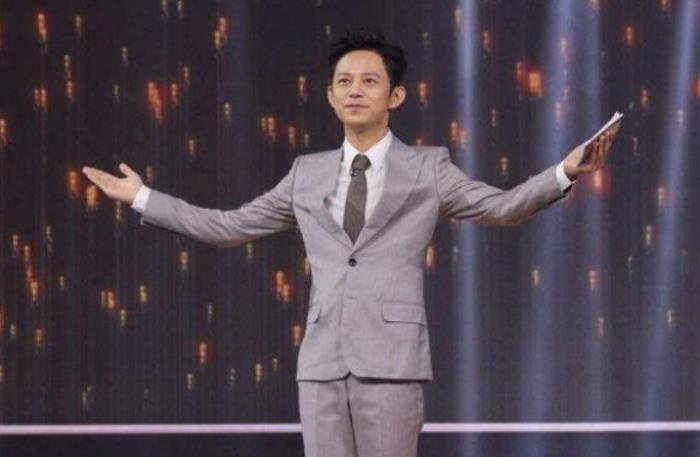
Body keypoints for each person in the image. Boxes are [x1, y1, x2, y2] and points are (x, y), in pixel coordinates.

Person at [83, 28, 619, 457]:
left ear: (395, 95)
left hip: (392, 362)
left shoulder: (428, 167)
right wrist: (142, 197)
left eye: (368, 81)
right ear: (330, 95)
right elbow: (230, 226)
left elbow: (502, 207)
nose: (355, 90)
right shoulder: (306, 173)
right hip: (321, 365)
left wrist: (564, 172)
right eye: (344, 81)